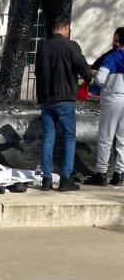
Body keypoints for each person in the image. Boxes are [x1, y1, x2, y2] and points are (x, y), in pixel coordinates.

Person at [34, 17, 93, 191]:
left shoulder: (42, 47)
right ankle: (65, 179)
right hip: (66, 98)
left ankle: (46, 179)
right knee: (69, 137)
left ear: (53, 28)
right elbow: (83, 69)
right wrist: (89, 78)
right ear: (66, 28)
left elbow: (37, 72)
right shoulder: (71, 46)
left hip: (47, 99)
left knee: (48, 137)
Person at [85, 30, 124, 187]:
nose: (114, 43)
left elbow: (100, 79)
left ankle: (101, 173)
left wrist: (95, 76)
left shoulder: (112, 57)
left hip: (112, 98)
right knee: (122, 139)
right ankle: (119, 174)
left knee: (105, 137)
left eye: (116, 40)